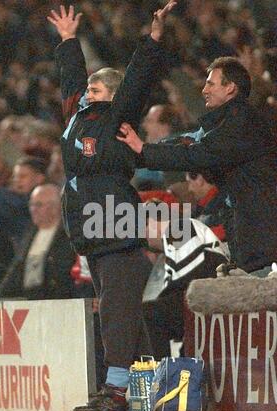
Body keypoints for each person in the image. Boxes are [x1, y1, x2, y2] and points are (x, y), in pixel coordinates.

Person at [47, 1, 177, 411]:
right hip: (91, 229)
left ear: (114, 97)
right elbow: (71, 78)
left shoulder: (116, 115)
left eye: (97, 90)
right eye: (89, 90)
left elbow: (138, 77)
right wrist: (68, 41)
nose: (88, 93)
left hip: (115, 221)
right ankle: (153, 382)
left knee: (115, 315)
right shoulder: (75, 117)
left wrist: (154, 37)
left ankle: (116, 392)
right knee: (121, 311)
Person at [118, 56, 277, 276]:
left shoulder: (244, 123)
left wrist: (144, 150)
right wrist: (141, 150)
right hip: (251, 238)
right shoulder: (226, 122)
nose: (204, 90)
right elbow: (189, 140)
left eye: (211, 83)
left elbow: (197, 154)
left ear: (230, 88)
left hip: (264, 240)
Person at [0, 184, 76, 300]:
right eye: (31, 204)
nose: (33, 209)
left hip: (58, 300)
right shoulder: (29, 234)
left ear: (56, 207)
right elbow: (16, 270)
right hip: (28, 301)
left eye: (38, 205)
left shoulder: (69, 236)